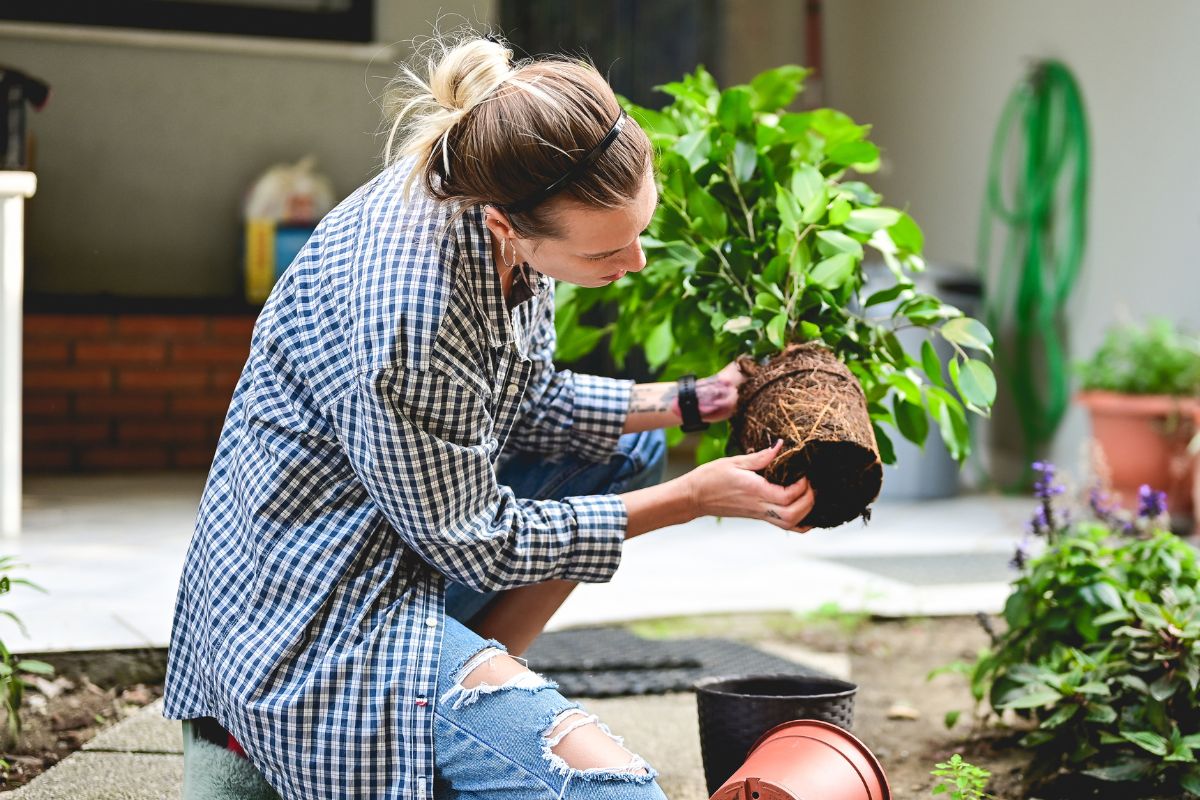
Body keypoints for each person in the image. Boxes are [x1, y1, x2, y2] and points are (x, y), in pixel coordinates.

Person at [163, 31, 815, 800]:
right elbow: (480, 541)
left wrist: (689, 404)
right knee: (618, 792)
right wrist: (692, 498)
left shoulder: (496, 200)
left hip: (400, 537)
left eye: (639, 231)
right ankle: (390, 721)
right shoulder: (412, 318)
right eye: (607, 254)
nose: (633, 261)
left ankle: (467, 700)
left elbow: (525, 400)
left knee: (625, 456)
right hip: (319, 605)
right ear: (510, 226)